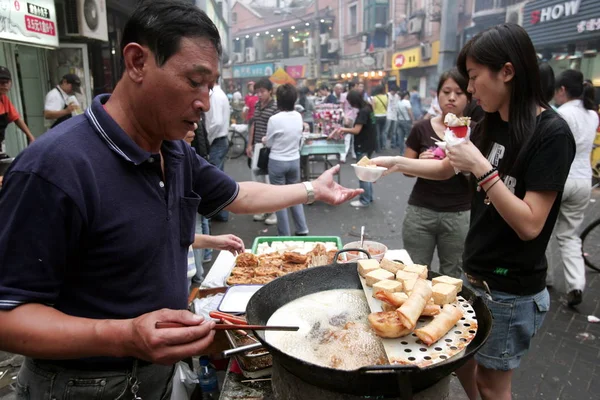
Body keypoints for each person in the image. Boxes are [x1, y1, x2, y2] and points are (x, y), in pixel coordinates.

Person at [0, 1, 362, 397]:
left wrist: (313, 190)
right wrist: (123, 335)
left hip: (159, 375)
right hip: (81, 386)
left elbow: (237, 194)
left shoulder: (172, 150)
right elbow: (9, 318)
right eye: (195, 81)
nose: (205, 102)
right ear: (138, 62)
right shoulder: (54, 168)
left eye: (212, 85)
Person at [372, 24, 575, 400]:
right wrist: (396, 163)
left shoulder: (552, 134)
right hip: (474, 274)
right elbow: (447, 167)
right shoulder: (490, 120)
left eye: (474, 76)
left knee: (492, 384)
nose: (468, 89)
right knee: (462, 358)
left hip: (510, 289)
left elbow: (530, 223)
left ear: (508, 72)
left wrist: (483, 167)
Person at [402, 69, 473, 278]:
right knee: (415, 273)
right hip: (420, 212)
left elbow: (482, 174)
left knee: (451, 277)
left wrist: (468, 167)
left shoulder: (475, 130)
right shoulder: (421, 128)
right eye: (446, 91)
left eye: (459, 93)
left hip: (458, 214)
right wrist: (418, 163)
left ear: (468, 97)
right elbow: (406, 169)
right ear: (438, 95)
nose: (451, 98)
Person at [548, 69, 599, 306]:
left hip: (559, 178)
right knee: (569, 235)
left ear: (562, 90)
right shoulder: (593, 115)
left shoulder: (561, 114)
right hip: (583, 181)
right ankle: (576, 284)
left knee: (542, 230)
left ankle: (544, 278)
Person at [264, 84, 309, 236]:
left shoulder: (274, 119)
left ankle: (284, 234)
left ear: (278, 100)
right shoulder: (298, 116)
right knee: (295, 195)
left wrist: (265, 140)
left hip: (277, 161)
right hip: (294, 160)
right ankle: (302, 228)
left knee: (280, 199)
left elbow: (269, 143)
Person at [332, 90, 377, 208]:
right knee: (367, 172)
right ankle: (369, 197)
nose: (349, 104)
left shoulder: (363, 111)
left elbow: (357, 130)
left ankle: (364, 200)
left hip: (363, 145)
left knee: (363, 173)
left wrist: (343, 129)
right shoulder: (369, 107)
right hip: (370, 144)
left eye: (350, 101)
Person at [246, 77, 279, 226]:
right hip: (258, 145)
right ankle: (263, 208)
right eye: (257, 92)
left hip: (270, 148)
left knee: (269, 181)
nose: (259, 94)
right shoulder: (258, 105)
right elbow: (254, 124)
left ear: (270, 91)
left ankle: (273, 212)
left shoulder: (276, 107)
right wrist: (250, 144)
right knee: (257, 178)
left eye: (262, 91)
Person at [205, 76, 231, 222]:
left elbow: (215, 122)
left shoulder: (215, 95)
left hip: (216, 140)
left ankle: (220, 213)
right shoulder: (220, 94)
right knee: (218, 177)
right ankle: (220, 212)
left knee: (215, 179)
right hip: (221, 139)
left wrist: (207, 140)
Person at [0, 66, 35, 149]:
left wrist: (30, 137)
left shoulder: (4, 99)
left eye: (7, 82)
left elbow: (16, 118)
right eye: (1, 82)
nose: (4, 85)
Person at [340, 82, 358, 162]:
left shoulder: (357, 95)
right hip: (348, 117)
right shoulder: (344, 95)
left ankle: (354, 153)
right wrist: (344, 117)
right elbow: (341, 107)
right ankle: (343, 155)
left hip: (356, 116)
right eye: (356, 86)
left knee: (355, 137)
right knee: (347, 137)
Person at [371, 85, 388, 152]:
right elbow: (387, 107)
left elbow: (373, 109)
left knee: (377, 133)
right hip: (384, 116)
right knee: (382, 132)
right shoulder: (386, 97)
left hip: (376, 116)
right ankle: (382, 146)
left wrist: (372, 119)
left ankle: (378, 149)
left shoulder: (374, 98)